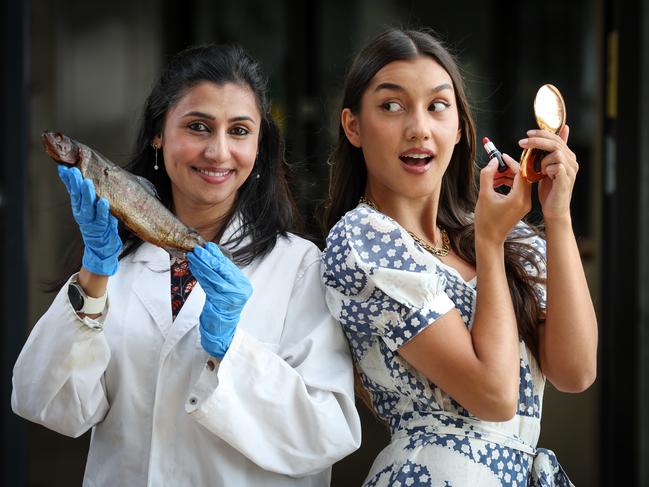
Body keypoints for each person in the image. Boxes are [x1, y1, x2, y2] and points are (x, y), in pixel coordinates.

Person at [12, 43, 361, 486]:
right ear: (159, 133)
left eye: (239, 131)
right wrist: (94, 278)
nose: (218, 152)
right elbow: (44, 403)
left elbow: (326, 433)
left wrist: (230, 351)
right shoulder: (114, 263)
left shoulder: (299, 265)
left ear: (258, 145)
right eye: (198, 127)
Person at [321, 29, 597, 486]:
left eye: (437, 106)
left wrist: (558, 215)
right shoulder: (363, 240)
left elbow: (576, 370)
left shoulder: (498, 230)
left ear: (459, 127)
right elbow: (493, 395)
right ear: (353, 126)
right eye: (392, 105)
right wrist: (489, 245)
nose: (419, 128)